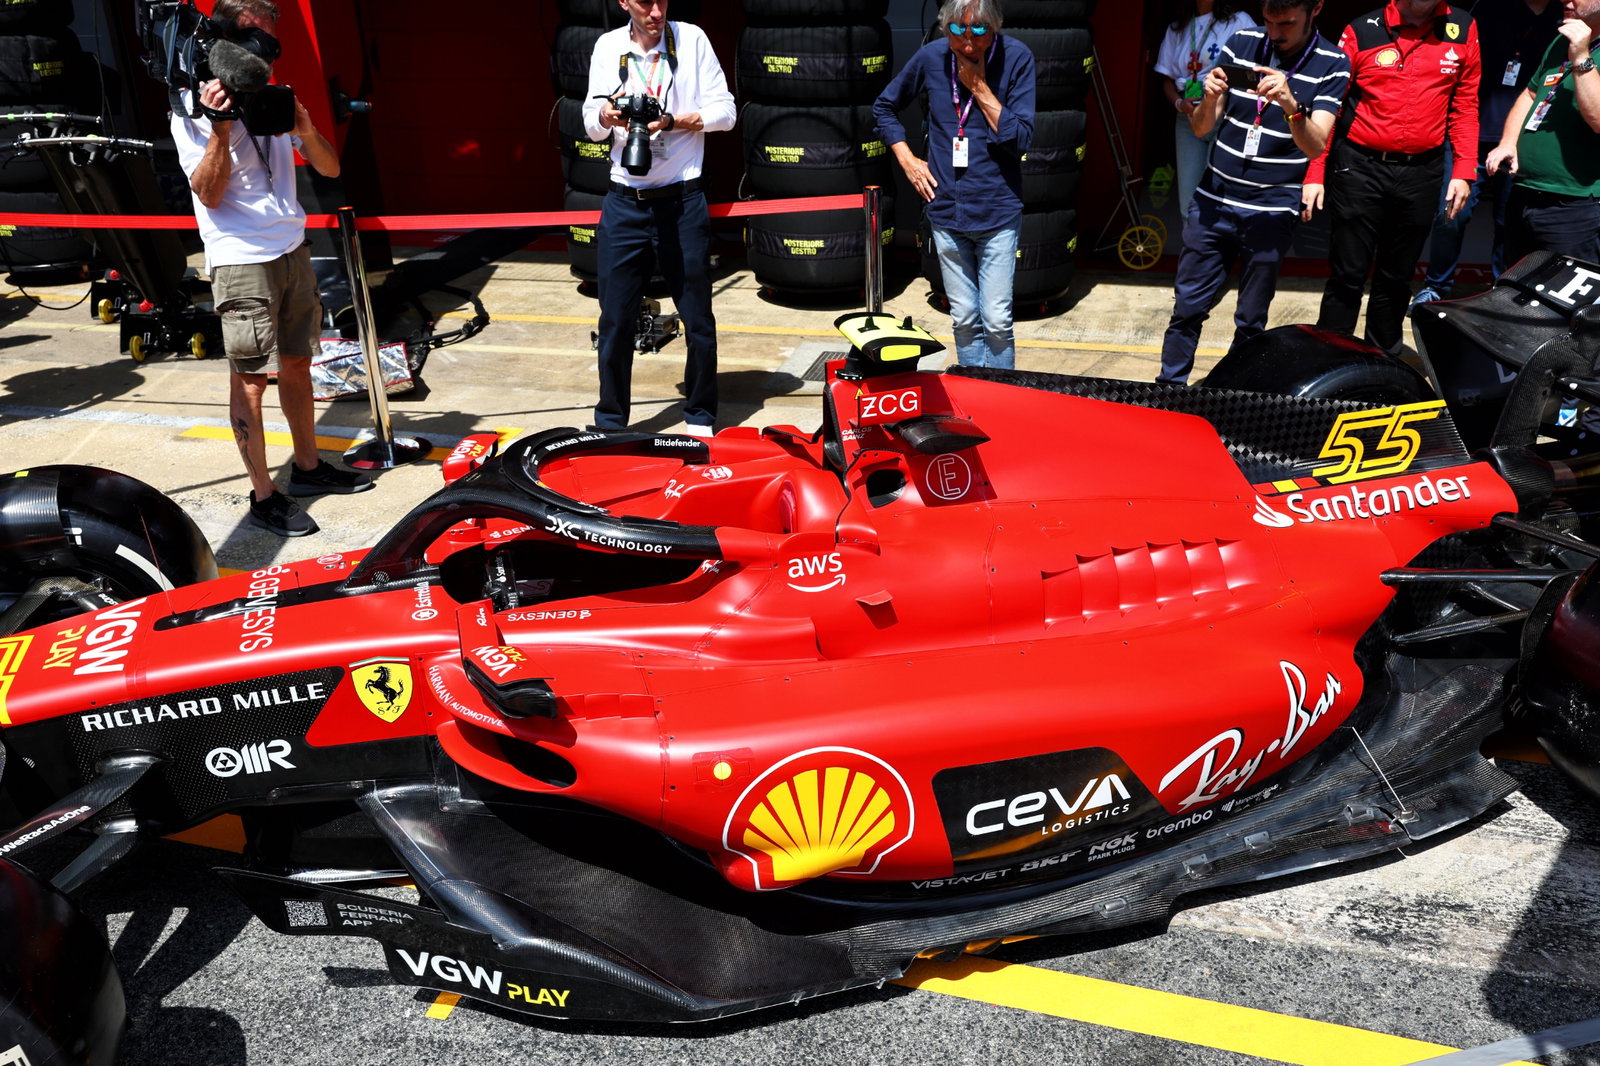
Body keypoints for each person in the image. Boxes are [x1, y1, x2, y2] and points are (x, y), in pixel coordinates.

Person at [171, 0, 371, 538]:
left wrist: (304, 128)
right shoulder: (192, 108)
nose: (265, 53)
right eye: (256, 39)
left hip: (291, 247)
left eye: (271, 41)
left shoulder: (275, 100)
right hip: (241, 259)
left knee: (300, 364)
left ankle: (307, 468)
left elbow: (329, 167)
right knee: (251, 380)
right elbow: (208, 195)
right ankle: (263, 494)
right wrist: (219, 128)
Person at [1157, 0, 1350, 385]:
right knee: (1188, 308)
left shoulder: (1332, 62)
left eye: (1287, 24)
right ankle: (1169, 390)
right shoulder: (1242, 42)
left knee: (1251, 319)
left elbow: (1315, 146)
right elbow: (1199, 129)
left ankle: (1235, 396)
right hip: (1214, 200)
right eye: (1269, 22)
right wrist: (1209, 99)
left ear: (1316, 11)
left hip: (1271, 207)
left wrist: (1291, 104)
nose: (1275, 33)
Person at [582, 0, 734, 433]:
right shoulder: (608, 46)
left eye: (662, 0)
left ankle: (700, 412)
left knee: (697, 315)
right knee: (614, 317)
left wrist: (671, 121)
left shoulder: (692, 38)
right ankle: (610, 419)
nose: (655, 10)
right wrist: (606, 115)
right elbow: (590, 121)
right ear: (623, 2)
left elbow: (726, 113)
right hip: (624, 202)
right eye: (645, 1)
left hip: (681, 201)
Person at [1304, 0, 1481, 354]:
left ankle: (1382, 364)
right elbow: (1331, 105)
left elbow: (1465, 105)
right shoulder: (1361, 29)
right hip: (1360, 167)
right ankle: (1328, 360)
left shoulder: (1463, 29)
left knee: (1396, 277)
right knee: (1347, 275)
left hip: (1423, 171)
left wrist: (1464, 170)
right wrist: (1315, 171)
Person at [875, 0, 1036, 370]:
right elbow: (884, 107)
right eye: (957, 32)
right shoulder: (932, 56)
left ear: (993, 28)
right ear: (945, 27)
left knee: (996, 321)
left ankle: (999, 402)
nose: (967, 44)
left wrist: (979, 87)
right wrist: (907, 159)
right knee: (964, 320)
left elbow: (1021, 139)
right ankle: (974, 399)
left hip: (997, 210)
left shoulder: (1017, 58)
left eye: (978, 31)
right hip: (947, 208)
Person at [1412, 0, 1560, 304]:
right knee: (1451, 213)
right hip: (1472, 132)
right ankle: (1436, 287)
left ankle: (1502, 291)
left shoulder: (1566, 15)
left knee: (1510, 221)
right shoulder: (1487, 9)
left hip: (1524, 138)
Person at [1486, 0, 1600, 263]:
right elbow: (1531, 93)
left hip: (1575, 204)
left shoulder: (1577, 42)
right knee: (1516, 290)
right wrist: (1508, 142)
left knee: (1564, 298)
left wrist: (1582, 56)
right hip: (1526, 191)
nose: (1564, 0)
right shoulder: (1561, 39)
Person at [1155, 0, 1260, 217]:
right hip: (1187, 116)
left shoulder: (1239, 21)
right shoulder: (1178, 27)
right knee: (1189, 202)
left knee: (1219, 198)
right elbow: (1166, 79)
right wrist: (1178, 103)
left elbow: (1255, 71)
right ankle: (1192, 249)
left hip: (1226, 115)